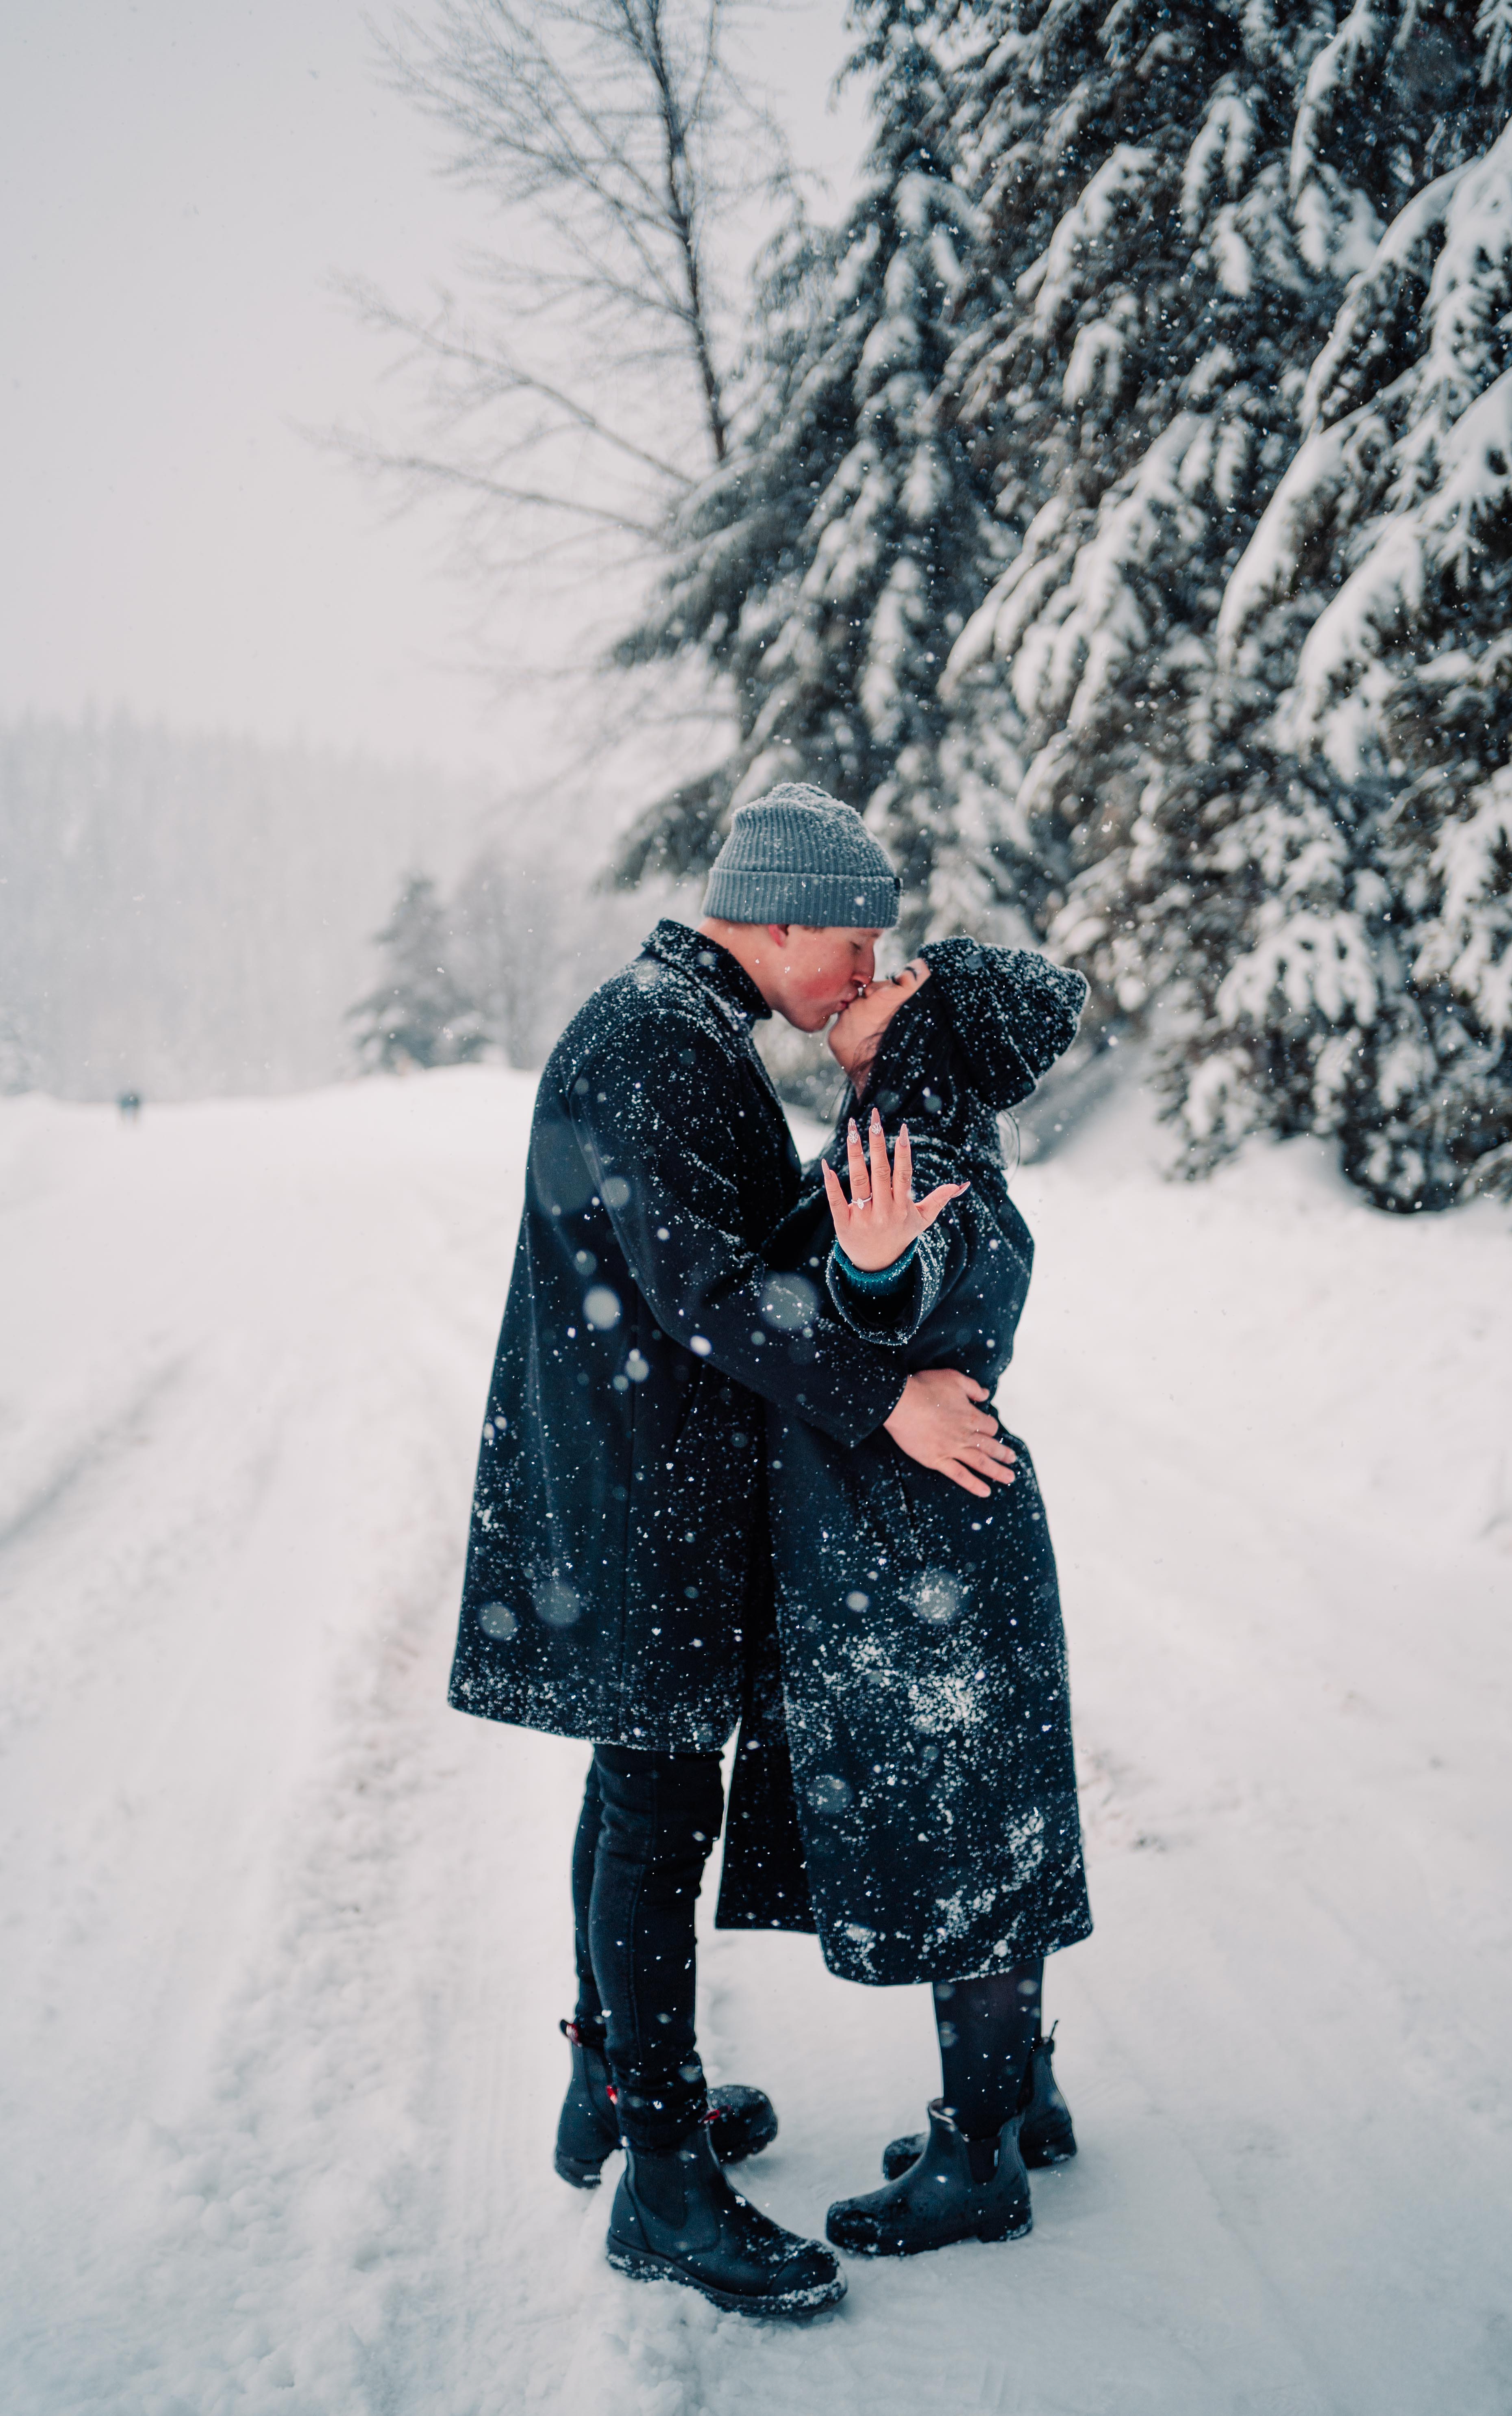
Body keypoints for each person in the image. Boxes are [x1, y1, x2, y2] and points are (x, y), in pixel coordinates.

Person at [446, 785, 1012, 2322]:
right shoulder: (654, 1041)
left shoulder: (682, 1029)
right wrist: (885, 1399)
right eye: (853, 942)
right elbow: (702, 1286)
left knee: (635, 1787)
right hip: (642, 1497)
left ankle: (611, 2094)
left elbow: (736, 1255)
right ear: (775, 919)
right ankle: (664, 2180)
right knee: (655, 1811)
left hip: (640, 1482)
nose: (864, 967)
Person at [714, 937, 1092, 2257]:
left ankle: (978, 2157)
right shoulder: (920, 1131)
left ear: (930, 1025)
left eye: (908, 972)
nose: (878, 972)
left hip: (914, 1545)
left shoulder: (913, 1147)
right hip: (937, 1535)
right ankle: (1020, 2098)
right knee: (983, 1822)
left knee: (961, 1840)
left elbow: (908, 1286)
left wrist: (873, 1272)